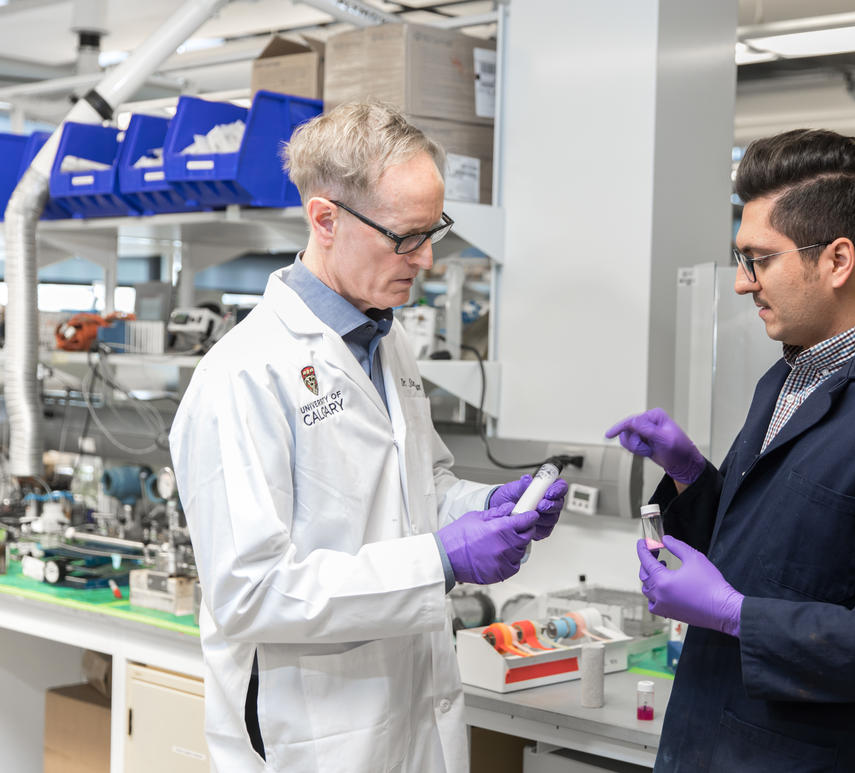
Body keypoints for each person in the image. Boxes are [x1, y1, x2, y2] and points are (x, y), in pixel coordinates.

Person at [170, 100, 567, 773]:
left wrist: (484, 507)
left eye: (434, 229)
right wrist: (440, 560)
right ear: (325, 219)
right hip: (316, 736)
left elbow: (418, 486)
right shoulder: (244, 374)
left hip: (413, 714)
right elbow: (249, 590)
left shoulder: (388, 340)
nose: (429, 257)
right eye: (406, 236)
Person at [605, 129, 855, 772]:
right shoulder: (790, 375)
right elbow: (764, 546)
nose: (741, 283)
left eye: (758, 259)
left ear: (837, 260)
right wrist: (688, 477)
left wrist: (735, 616)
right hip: (710, 739)